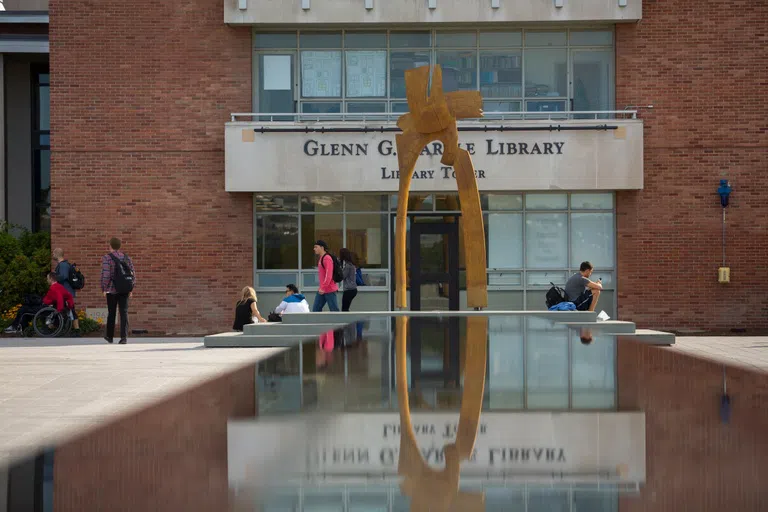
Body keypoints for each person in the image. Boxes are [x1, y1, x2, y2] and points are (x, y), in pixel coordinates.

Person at [4, 272, 74, 333]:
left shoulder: (54, 287)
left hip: (45, 308)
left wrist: (59, 310)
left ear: (51, 279)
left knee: (23, 309)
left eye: (47, 278)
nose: (47, 280)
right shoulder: (60, 286)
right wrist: (69, 306)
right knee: (27, 308)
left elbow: (59, 298)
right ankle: (22, 326)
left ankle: (15, 327)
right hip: (47, 306)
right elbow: (69, 296)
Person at [101, 237, 135, 344]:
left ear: (110, 245)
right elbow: (133, 273)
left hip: (112, 289)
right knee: (124, 312)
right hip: (125, 289)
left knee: (112, 312)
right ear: (119, 246)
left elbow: (106, 275)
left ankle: (109, 336)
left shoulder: (107, 258)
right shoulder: (126, 257)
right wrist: (131, 288)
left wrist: (104, 288)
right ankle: (124, 337)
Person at [52, 248, 80, 336]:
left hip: (66, 293)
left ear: (57, 254)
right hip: (66, 292)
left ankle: (76, 331)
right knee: (65, 310)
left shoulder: (63, 265)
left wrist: (53, 277)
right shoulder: (64, 265)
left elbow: (63, 276)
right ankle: (54, 327)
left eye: (53, 253)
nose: (52, 255)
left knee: (70, 310)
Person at [312, 240, 339, 312]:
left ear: (322, 247)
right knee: (315, 310)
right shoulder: (321, 258)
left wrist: (323, 287)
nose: (314, 249)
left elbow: (329, 275)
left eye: (316, 247)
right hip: (322, 289)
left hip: (329, 289)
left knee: (334, 311)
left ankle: (339, 323)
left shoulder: (327, 258)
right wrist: (322, 288)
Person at [339, 248, 358, 312]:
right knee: (346, 308)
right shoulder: (352, 265)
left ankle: (348, 321)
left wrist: (339, 270)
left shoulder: (348, 266)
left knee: (344, 309)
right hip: (353, 289)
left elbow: (343, 276)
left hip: (349, 290)